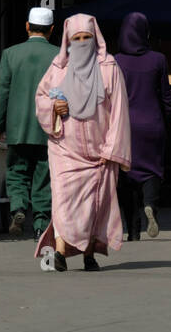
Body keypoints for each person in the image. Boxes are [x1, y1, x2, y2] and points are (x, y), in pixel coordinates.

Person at [34, 14, 131, 272]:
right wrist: (53, 106)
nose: (82, 42)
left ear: (96, 38)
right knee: (63, 200)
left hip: (100, 152)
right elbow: (41, 99)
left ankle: (89, 254)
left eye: (86, 37)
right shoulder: (58, 69)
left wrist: (111, 149)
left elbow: (119, 111)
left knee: (94, 205)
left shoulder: (109, 68)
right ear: (67, 41)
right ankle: (61, 252)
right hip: (65, 149)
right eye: (76, 39)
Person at [114, 11, 171, 240]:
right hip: (152, 124)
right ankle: (150, 206)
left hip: (124, 126)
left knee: (125, 175)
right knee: (152, 171)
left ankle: (132, 230)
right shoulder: (158, 59)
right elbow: (167, 96)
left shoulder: (115, 61)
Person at [0, 5, 56, 240]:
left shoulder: (10, 54)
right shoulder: (59, 55)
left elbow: (2, 92)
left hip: (17, 127)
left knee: (17, 172)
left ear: (27, 27)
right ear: (51, 29)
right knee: (43, 176)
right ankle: (40, 224)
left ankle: (18, 208)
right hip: (48, 128)